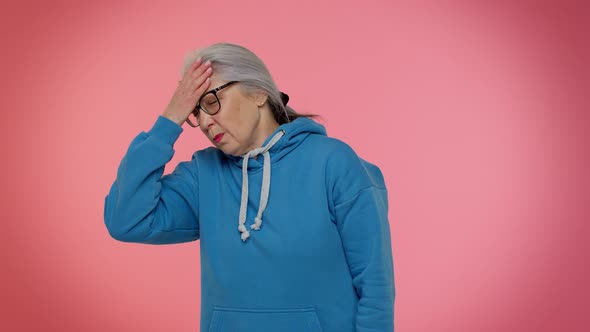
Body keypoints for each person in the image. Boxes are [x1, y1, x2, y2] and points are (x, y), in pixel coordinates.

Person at [104, 43, 396, 332]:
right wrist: (169, 120)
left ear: (259, 92)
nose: (205, 121)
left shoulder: (334, 163)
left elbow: (375, 287)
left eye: (210, 101)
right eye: (194, 111)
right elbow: (126, 220)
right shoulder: (202, 175)